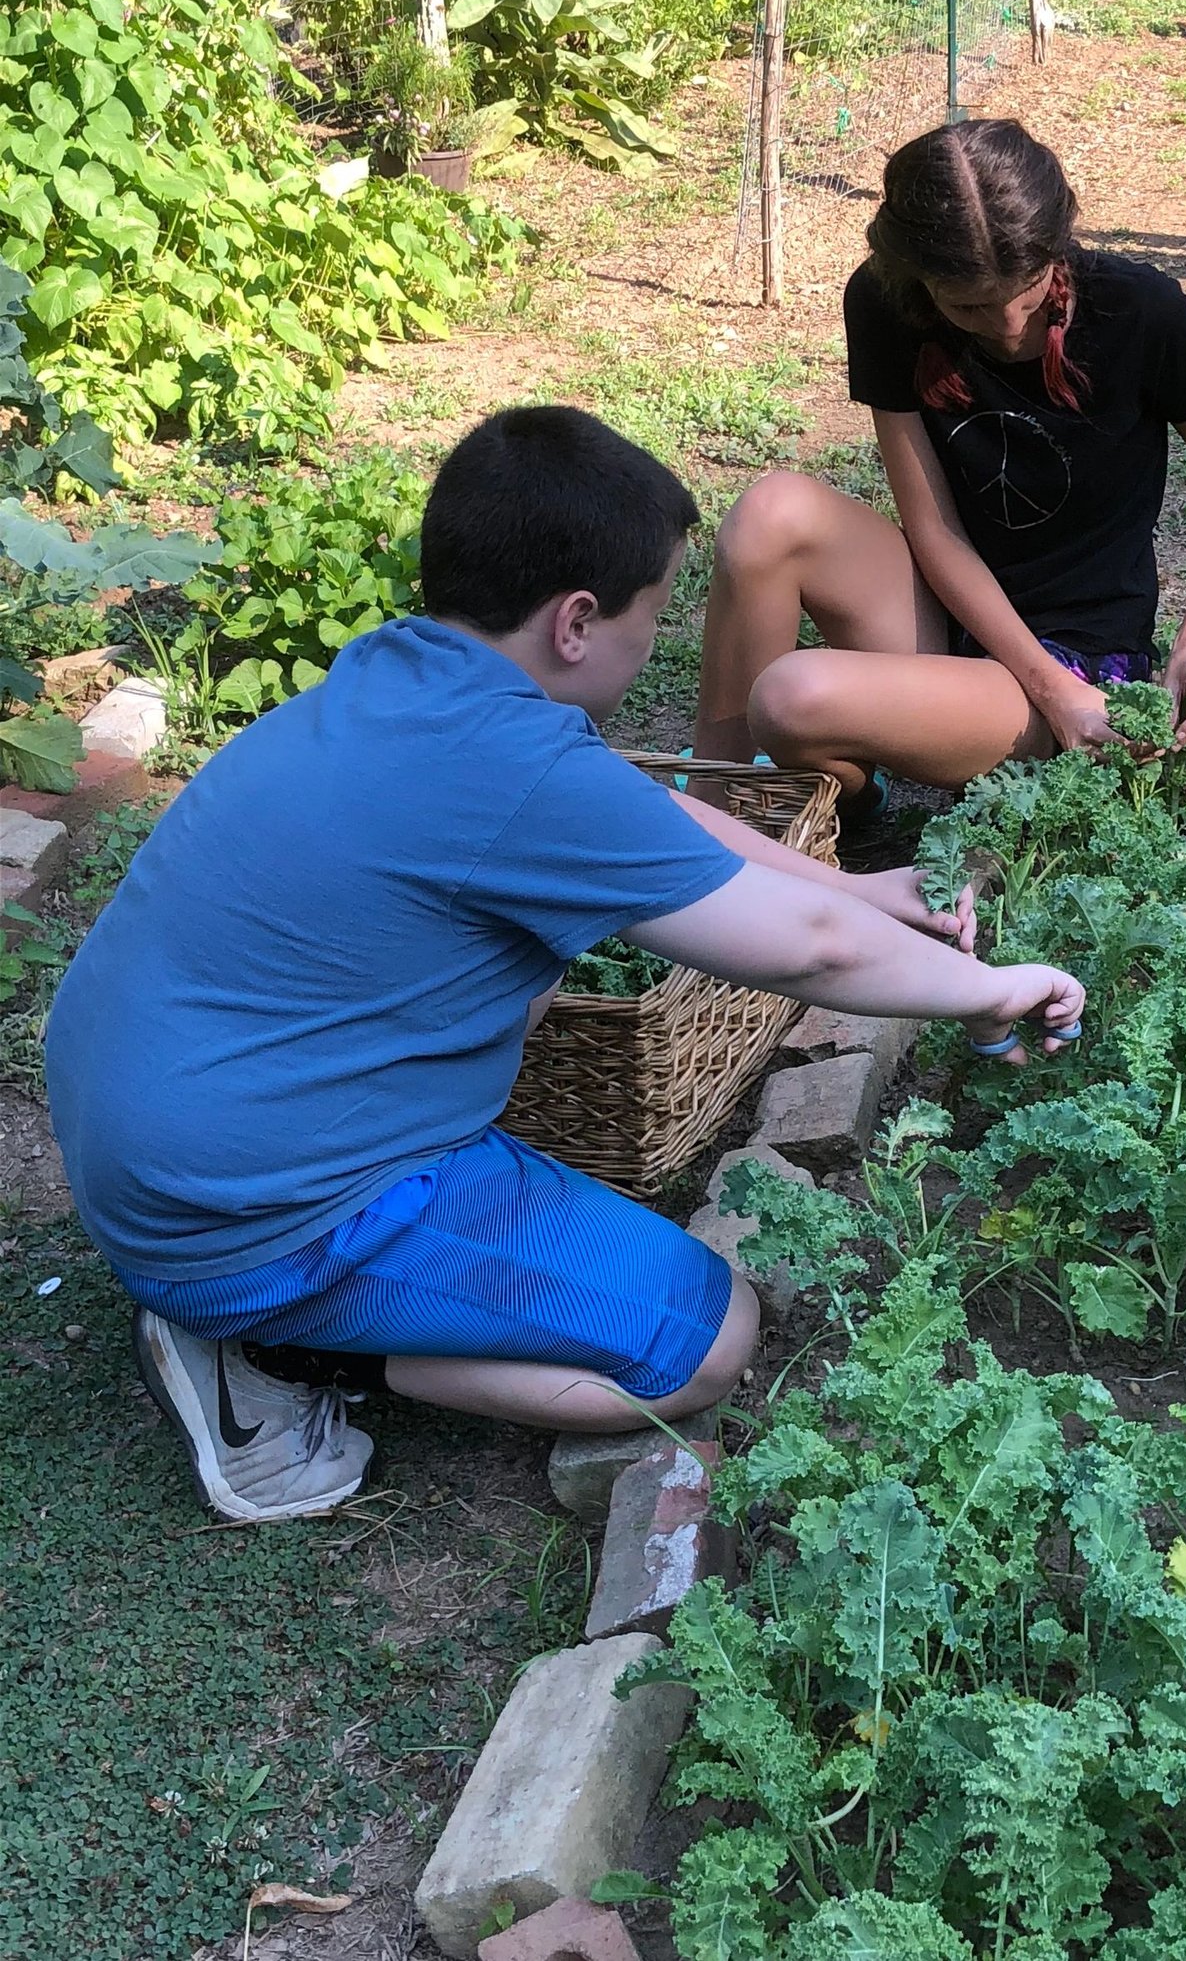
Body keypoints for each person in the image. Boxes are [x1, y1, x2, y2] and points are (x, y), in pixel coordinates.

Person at [44, 406, 1085, 1525]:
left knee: (523, 964)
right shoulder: (515, 769)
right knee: (700, 1342)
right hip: (254, 1213)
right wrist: (991, 990)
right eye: (654, 616)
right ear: (577, 622)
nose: (657, 642)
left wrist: (857, 886)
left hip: (149, 1129)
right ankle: (276, 1355)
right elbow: (814, 959)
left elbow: (647, 814)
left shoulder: (414, 676)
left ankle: (266, 1295)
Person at [693, 117, 1186, 802]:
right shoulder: (885, 303)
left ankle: (805, 791)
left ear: (1057, 247)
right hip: (947, 614)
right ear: (918, 280)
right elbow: (933, 528)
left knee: (789, 698)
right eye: (969, 307)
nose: (1008, 329)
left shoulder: (1137, 308)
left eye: (1028, 298)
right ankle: (714, 808)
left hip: (1081, 664)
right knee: (768, 514)